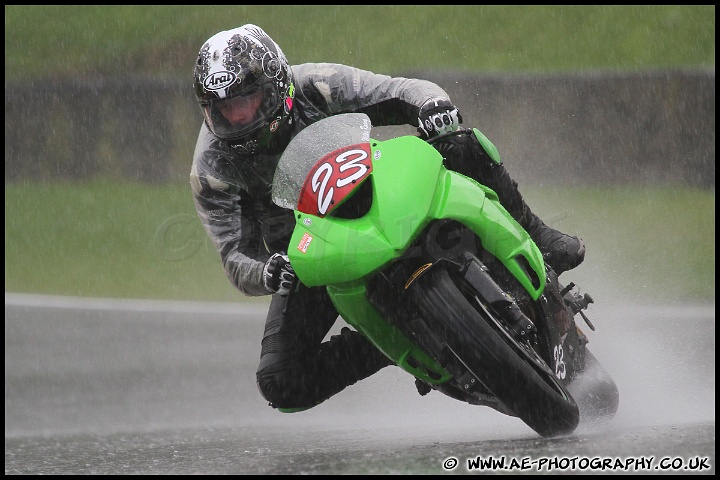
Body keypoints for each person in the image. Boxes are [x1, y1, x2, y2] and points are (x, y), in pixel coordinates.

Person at [190, 24, 585, 411]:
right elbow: (234, 255)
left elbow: (400, 90)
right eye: (222, 109)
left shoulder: (317, 85)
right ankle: (385, 340)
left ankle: (536, 234)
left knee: (459, 143)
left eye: (245, 102)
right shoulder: (212, 166)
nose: (235, 118)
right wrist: (267, 273)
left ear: (277, 86)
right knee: (280, 381)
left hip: (377, 193)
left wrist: (433, 107)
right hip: (316, 255)